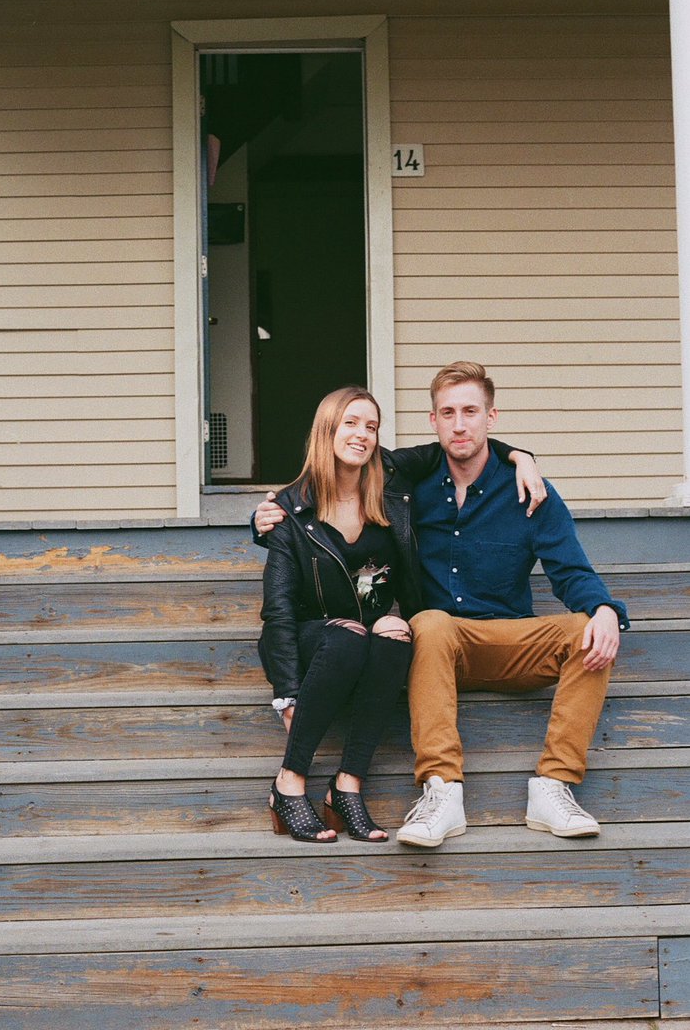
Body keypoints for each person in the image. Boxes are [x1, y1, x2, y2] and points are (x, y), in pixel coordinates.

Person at [254, 384, 545, 844]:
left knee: (394, 631)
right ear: (326, 430)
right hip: (314, 639)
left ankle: (347, 785)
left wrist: (521, 457)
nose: (362, 434)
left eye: (371, 426)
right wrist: (287, 694)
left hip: (363, 637)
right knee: (349, 634)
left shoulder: (389, 477)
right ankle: (288, 782)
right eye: (350, 423)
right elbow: (278, 611)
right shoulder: (291, 509)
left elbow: (459, 441)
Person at [393, 361, 628, 848]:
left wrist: (605, 610)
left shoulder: (528, 489)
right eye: (448, 413)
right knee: (430, 623)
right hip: (439, 647)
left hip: (512, 644)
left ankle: (553, 786)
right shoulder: (411, 489)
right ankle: (442, 790)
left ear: (491, 417)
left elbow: (570, 570)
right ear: (433, 421)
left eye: (471, 411)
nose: (460, 424)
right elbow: (343, 475)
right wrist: (276, 511)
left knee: (589, 629)